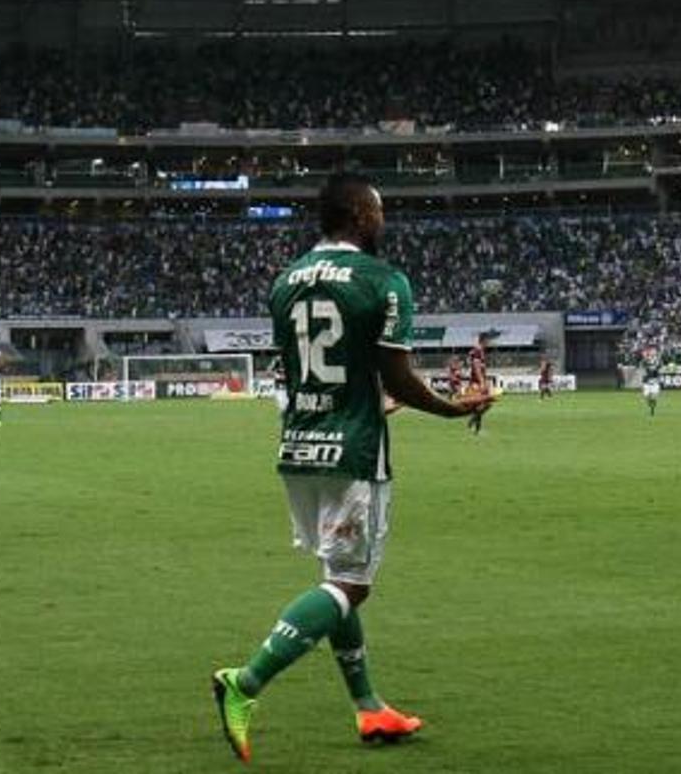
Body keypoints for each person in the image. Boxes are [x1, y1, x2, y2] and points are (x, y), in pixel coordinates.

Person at [211, 173, 493, 763]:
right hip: (356, 452)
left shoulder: (285, 281)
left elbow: (315, 371)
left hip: (300, 447)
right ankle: (246, 681)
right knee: (350, 586)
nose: (383, 222)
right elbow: (396, 376)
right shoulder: (385, 281)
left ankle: (369, 708)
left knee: (334, 578)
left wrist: (373, 397)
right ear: (362, 216)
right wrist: (450, 408)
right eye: (380, 212)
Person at [640, 348, 663, 416]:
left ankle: (652, 408)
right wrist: (645, 359)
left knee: (654, 397)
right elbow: (643, 365)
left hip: (655, 382)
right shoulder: (645, 360)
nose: (653, 353)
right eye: (651, 352)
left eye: (654, 352)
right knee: (646, 397)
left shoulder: (658, 360)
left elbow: (659, 366)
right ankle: (651, 406)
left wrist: (655, 365)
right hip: (647, 382)